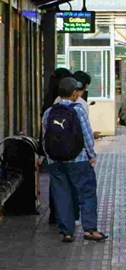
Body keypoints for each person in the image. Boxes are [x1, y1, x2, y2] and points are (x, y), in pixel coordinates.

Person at [41, 77, 107, 243]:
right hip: (78, 160)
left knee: (62, 195)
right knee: (87, 193)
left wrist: (50, 158)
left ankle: (67, 232)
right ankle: (90, 230)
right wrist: (92, 155)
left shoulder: (49, 112)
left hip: (56, 162)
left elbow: (44, 138)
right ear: (74, 93)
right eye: (77, 90)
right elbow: (87, 135)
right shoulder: (78, 110)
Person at [41, 68, 72, 224]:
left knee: (55, 181)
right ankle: (63, 215)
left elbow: (44, 128)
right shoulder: (62, 101)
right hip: (66, 148)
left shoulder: (48, 99)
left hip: (51, 148)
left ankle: (55, 214)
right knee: (64, 182)